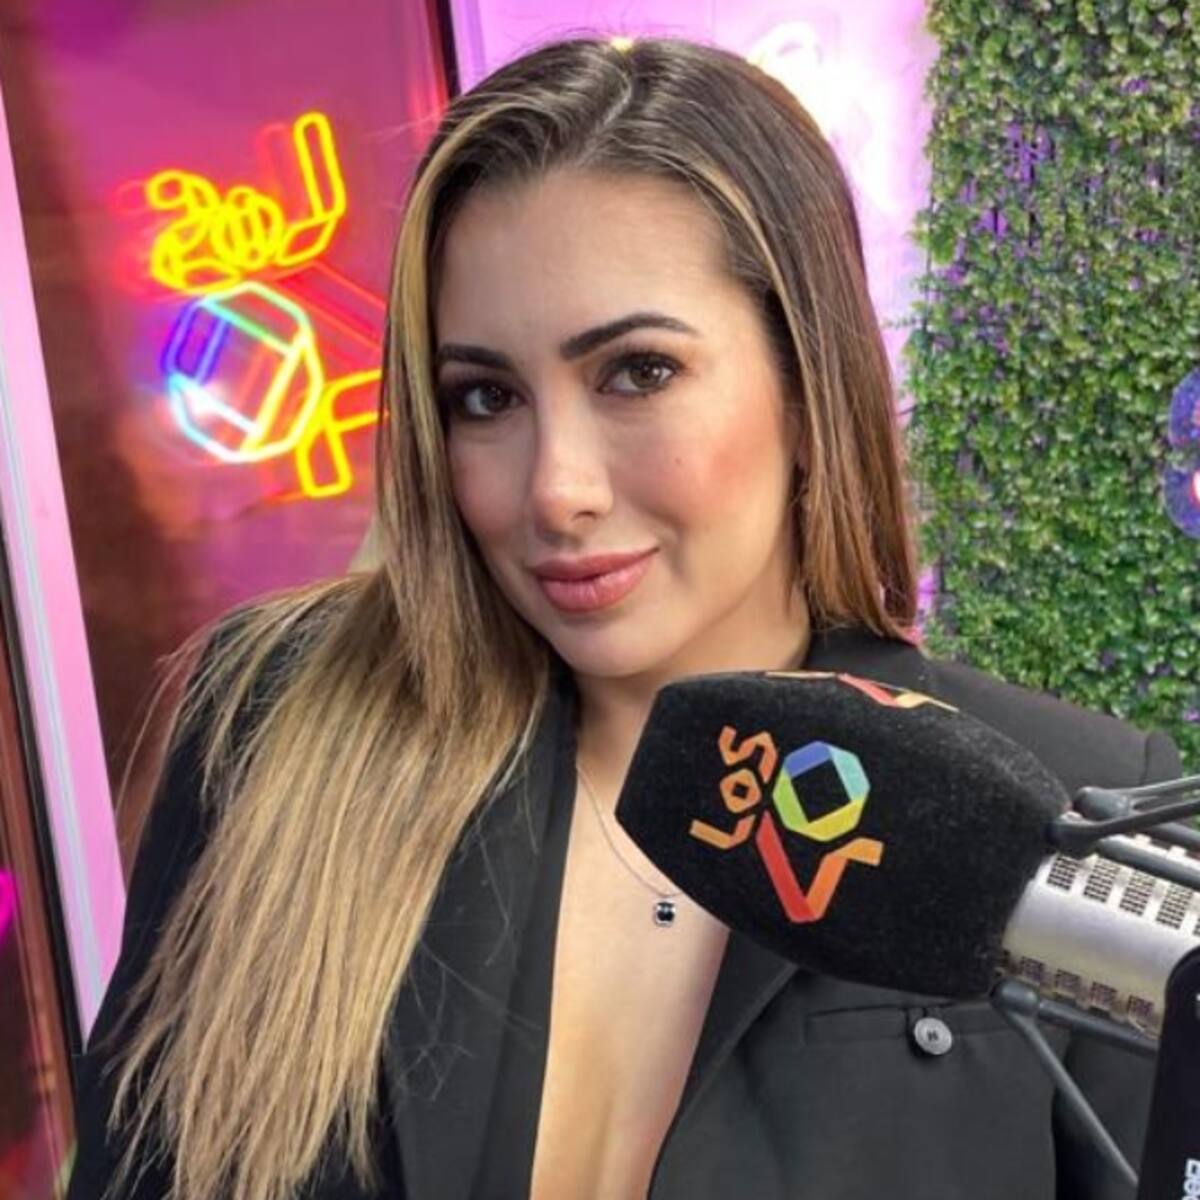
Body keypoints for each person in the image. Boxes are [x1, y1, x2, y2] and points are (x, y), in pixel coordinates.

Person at [68, 35, 1180, 1200]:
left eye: (637, 373)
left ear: (808, 382)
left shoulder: (1067, 813)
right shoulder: (279, 725)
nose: (556, 490)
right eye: (485, 397)